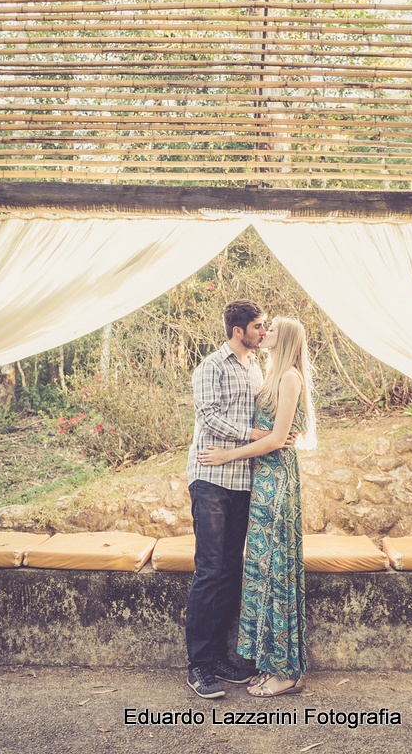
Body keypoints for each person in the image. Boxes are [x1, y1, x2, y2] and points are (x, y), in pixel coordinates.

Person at [198, 316, 316, 699]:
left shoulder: (289, 378)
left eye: (272, 330)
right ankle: (272, 664)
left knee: (277, 570)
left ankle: (287, 672)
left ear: (286, 339)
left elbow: (277, 439)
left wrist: (228, 454)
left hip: (276, 480)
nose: (265, 333)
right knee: (264, 571)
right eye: (261, 328)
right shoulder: (267, 373)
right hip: (260, 481)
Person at [184, 299, 269, 701]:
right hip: (211, 477)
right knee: (209, 569)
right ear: (238, 331)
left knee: (231, 569)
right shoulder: (211, 366)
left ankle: (219, 657)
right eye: (257, 327)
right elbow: (209, 415)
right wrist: (253, 435)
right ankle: (198, 665)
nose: (262, 332)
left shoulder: (257, 367)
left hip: (242, 479)